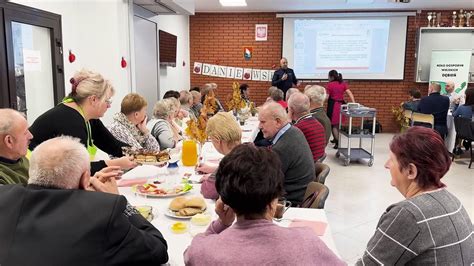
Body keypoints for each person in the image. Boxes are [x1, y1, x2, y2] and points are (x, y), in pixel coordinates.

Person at [0, 136, 169, 265]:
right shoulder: (104, 210)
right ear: (85, 179)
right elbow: (158, 249)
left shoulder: (5, 196)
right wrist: (119, 200)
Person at [184, 144, 344, 265]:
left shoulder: (203, 251)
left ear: (224, 201)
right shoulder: (306, 242)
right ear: (275, 199)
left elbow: (189, 255)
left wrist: (221, 224)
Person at [356, 127, 473, 265]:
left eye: (391, 160)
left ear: (411, 171)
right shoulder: (454, 202)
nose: (386, 165)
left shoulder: (408, 216)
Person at [28, 69, 136, 175]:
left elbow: (112, 145)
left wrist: (139, 154)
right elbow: (78, 170)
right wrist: (115, 164)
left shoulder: (87, 116)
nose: (109, 105)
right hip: (36, 174)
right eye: (107, 101)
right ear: (93, 100)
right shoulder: (70, 121)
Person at [258, 102, 314, 205]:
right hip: (300, 192)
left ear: (278, 122)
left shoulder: (281, 149)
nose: (259, 126)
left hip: (290, 200)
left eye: (263, 122)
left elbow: (264, 182)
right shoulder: (294, 131)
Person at [196, 112, 241, 200]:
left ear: (217, 140)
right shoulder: (249, 150)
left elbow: (208, 191)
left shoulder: (229, 162)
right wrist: (214, 171)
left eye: (211, 139)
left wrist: (211, 178)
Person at [288, 93, 326, 161]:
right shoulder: (318, 124)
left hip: (305, 167)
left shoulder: (298, 128)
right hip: (315, 164)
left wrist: (288, 122)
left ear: (291, 109)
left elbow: (286, 149)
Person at [0, 109, 33, 185]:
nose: (31, 136)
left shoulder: (21, 156)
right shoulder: (2, 181)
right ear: (9, 141)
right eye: (25, 133)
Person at [326, 70, 355, 149]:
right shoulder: (342, 83)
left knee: (333, 125)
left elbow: (327, 97)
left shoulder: (330, 85)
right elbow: (349, 93)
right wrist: (354, 103)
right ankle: (335, 139)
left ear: (331, 77)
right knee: (337, 124)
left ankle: (337, 142)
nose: (327, 78)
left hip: (333, 106)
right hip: (341, 106)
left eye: (328, 76)